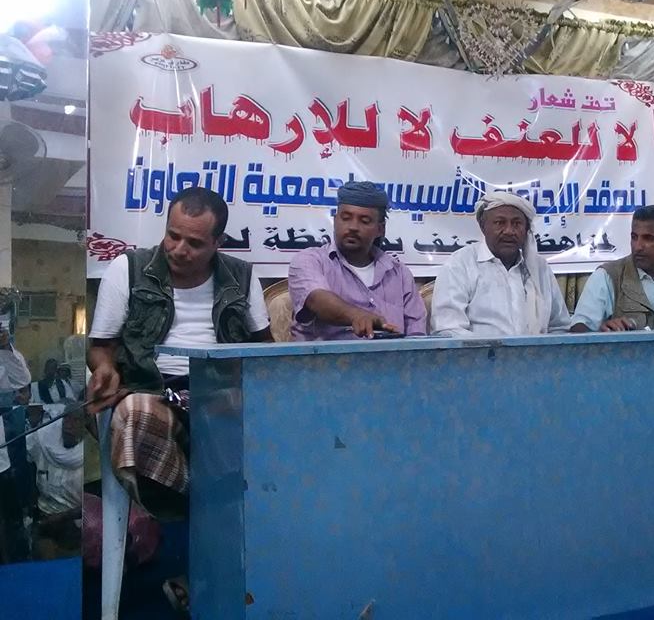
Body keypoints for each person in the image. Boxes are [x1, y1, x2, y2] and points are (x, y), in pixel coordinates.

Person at [87, 186, 273, 518]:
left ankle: (219, 510)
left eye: (195, 243)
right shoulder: (128, 269)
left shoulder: (242, 277)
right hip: (151, 389)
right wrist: (105, 369)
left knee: (264, 420)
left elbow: (264, 351)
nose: (178, 249)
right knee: (136, 414)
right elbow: (101, 348)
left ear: (217, 242)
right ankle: (198, 511)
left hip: (221, 392)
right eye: (173, 236)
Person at [288, 181, 426, 340]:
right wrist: (357, 316)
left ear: (380, 229)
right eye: (346, 218)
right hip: (327, 356)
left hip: (392, 355)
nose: (353, 227)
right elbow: (316, 299)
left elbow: (416, 335)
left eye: (364, 221)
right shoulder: (310, 261)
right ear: (335, 220)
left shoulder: (399, 274)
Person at [430, 190, 571, 336]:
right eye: (500, 223)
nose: (509, 231)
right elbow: (448, 329)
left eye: (517, 223)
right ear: (483, 227)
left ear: (526, 229)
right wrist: (494, 349)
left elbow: (560, 327)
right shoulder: (460, 264)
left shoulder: (540, 269)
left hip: (539, 351)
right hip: (477, 350)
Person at [26, 405, 84, 558]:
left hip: (74, 524)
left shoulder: (92, 456)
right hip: (43, 519)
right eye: (66, 419)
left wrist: (61, 517)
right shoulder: (45, 444)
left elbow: (94, 504)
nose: (69, 424)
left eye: (76, 420)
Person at [0, 325, 30, 563]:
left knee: (10, 519)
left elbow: (22, 381)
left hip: (0, 463)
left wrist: (4, 348)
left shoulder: (5, 354)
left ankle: (14, 565)